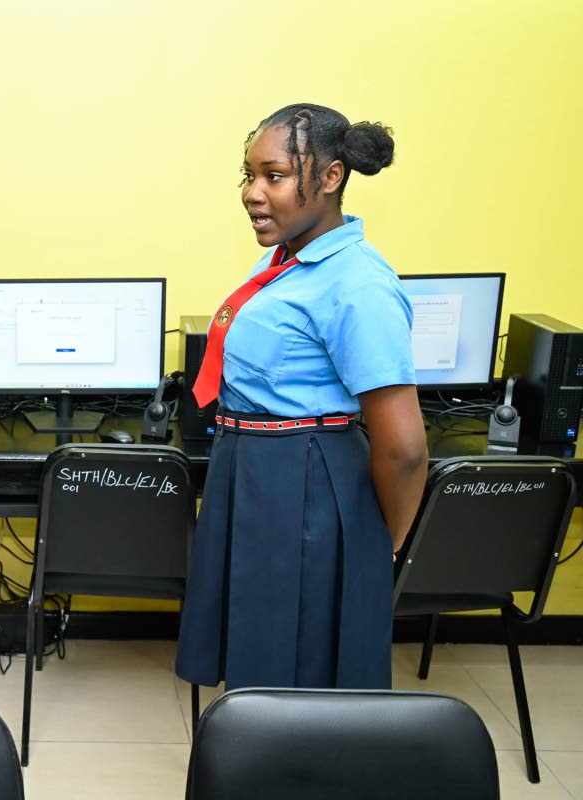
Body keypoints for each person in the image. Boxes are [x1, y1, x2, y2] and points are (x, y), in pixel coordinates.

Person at [176, 104, 428, 692]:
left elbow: (405, 448)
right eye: (248, 175)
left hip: (306, 482)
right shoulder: (284, 259)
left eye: (274, 176)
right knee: (257, 653)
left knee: (300, 666)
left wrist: (373, 546)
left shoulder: (358, 283)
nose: (252, 192)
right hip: (253, 472)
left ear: (332, 177)